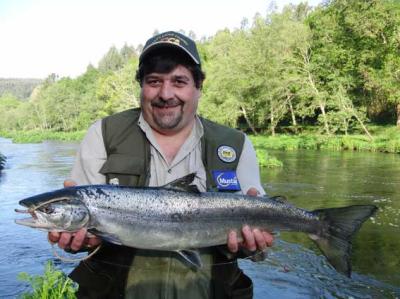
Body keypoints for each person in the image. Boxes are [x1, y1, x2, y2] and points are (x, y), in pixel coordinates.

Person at [48, 31, 274, 299]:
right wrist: (78, 242)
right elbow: (81, 235)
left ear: (198, 87)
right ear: (141, 85)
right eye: (154, 81)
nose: (166, 94)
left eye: (179, 81)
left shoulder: (235, 144)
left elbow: (260, 246)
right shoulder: (103, 134)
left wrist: (253, 246)